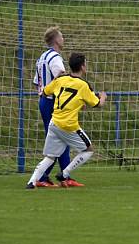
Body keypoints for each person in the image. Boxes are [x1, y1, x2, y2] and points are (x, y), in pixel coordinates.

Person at [26, 53, 106, 189]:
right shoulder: (83, 85)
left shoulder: (61, 80)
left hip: (54, 123)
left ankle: (32, 182)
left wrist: (56, 81)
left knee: (50, 156)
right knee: (88, 150)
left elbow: (45, 92)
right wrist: (103, 97)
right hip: (68, 126)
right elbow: (97, 104)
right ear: (82, 67)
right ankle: (65, 174)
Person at [32, 27, 83, 187]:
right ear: (56, 40)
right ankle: (47, 178)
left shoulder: (41, 57)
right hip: (52, 102)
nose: (64, 39)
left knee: (58, 139)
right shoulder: (55, 58)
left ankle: (59, 176)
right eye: (62, 36)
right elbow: (61, 78)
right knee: (60, 138)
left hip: (44, 100)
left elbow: (36, 83)